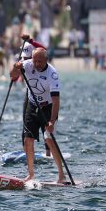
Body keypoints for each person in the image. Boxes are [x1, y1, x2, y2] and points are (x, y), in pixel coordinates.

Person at [10, 48, 65, 183]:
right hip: (32, 105)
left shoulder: (52, 75)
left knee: (49, 140)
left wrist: (52, 121)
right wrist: (15, 68)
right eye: (35, 60)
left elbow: (56, 100)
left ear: (46, 60)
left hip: (48, 107)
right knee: (28, 139)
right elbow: (12, 76)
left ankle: (61, 175)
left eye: (40, 61)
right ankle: (31, 174)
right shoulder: (27, 64)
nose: (37, 63)